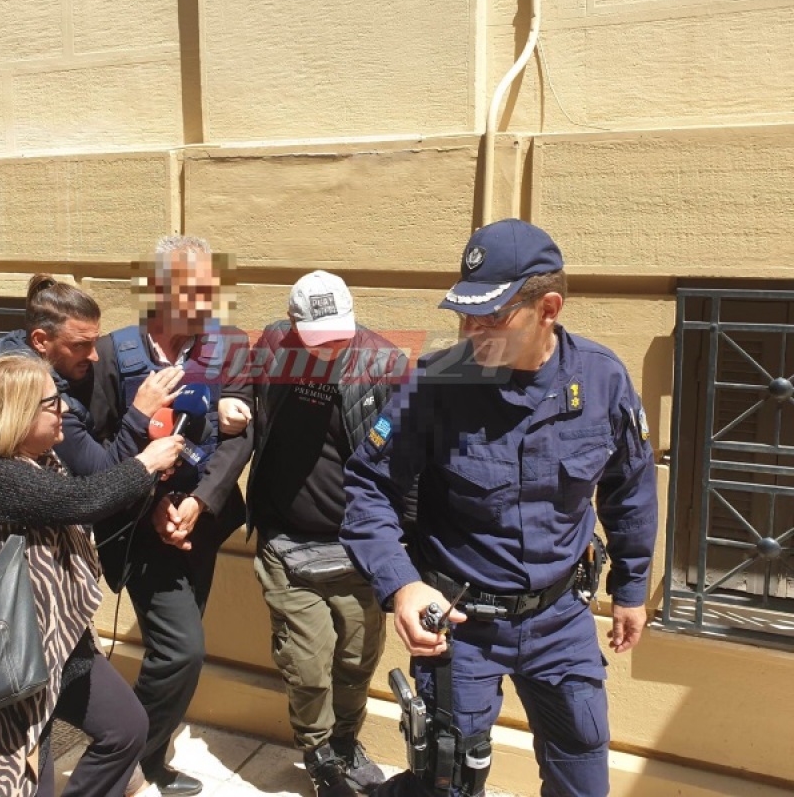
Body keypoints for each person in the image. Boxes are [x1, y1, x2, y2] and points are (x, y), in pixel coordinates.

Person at [339, 219, 659, 797]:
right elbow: (367, 488)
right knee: (448, 783)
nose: (470, 331)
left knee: (584, 780)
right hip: (462, 627)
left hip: (561, 620)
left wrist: (632, 590)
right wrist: (402, 586)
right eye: (465, 315)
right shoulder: (436, 383)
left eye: (491, 317)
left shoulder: (602, 379)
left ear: (547, 309)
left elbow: (629, 487)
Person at [0, 353, 183, 797]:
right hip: (12, 655)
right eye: (53, 402)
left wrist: (145, 474)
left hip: (61, 640)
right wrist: (146, 463)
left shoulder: (40, 462)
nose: (65, 409)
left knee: (126, 728)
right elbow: (83, 500)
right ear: (16, 413)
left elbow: (95, 486)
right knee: (26, 778)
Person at [219, 271, 409, 797]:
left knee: (355, 661)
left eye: (339, 337)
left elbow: (411, 459)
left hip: (358, 548)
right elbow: (239, 378)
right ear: (292, 322)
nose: (330, 349)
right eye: (318, 339)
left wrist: (406, 545)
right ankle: (320, 753)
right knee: (307, 667)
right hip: (287, 541)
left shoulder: (385, 364)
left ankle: (346, 742)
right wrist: (230, 396)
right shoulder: (273, 345)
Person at [76, 236, 252, 797]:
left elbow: (240, 437)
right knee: (183, 651)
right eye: (190, 291)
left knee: (176, 654)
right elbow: (95, 448)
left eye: (210, 290)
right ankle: (120, 761)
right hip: (138, 531)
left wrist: (198, 504)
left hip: (201, 524)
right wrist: (151, 505)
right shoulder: (113, 353)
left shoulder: (230, 345)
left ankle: (145, 756)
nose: (204, 303)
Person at [0, 273, 184, 474]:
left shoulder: (46, 361)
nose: (94, 356)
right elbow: (103, 475)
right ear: (40, 341)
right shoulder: (39, 400)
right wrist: (140, 413)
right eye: (80, 345)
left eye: (94, 342)